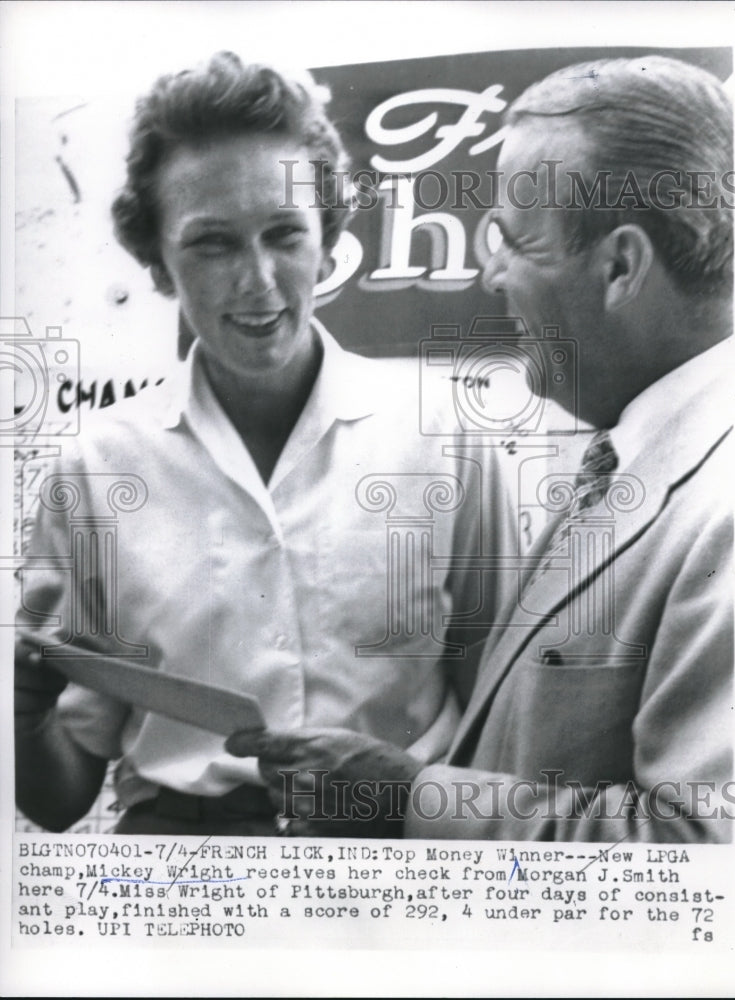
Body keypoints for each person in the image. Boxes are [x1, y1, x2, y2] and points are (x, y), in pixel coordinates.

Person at [228, 55, 735, 843]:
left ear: (621, 265)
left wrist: (407, 799)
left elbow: (708, 863)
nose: (490, 273)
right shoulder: (632, 456)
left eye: (511, 242)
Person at [14, 52, 515, 835]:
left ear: (329, 237)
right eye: (212, 244)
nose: (259, 281)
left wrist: (417, 791)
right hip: (181, 883)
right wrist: (19, 715)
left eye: (285, 234)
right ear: (156, 262)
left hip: (395, 865)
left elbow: (503, 719)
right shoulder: (96, 472)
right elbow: (59, 796)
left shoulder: (447, 433)